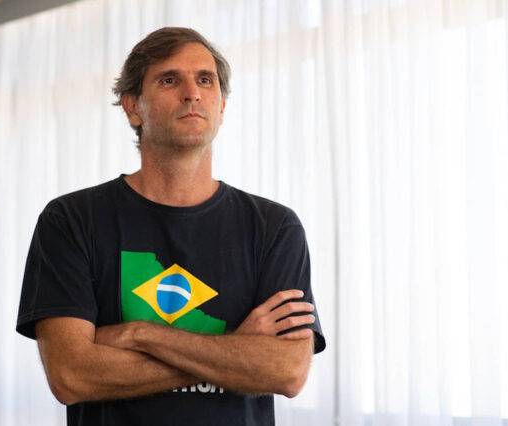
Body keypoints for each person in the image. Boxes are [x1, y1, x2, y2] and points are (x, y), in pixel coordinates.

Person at [16, 27, 325, 426]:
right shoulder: (71, 220)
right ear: (133, 107)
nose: (192, 93)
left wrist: (139, 335)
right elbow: (72, 375)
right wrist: (236, 350)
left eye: (205, 80)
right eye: (169, 80)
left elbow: (286, 371)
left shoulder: (274, 227)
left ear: (222, 106)